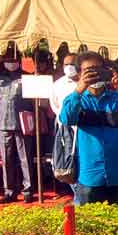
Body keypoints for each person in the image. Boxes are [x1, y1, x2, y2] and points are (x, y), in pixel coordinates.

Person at [58, 52, 118, 206]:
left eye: (98, 69)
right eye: (89, 71)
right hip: (90, 177)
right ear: (80, 74)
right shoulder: (76, 99)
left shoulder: (117, 97)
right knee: (89, 226)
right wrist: (78, 90)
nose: (94, 74)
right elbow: (67, 119)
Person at [0, 44, 35, 203]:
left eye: (14, 59)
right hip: (3, 123)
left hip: (23, 123)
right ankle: (9, 191)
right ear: (3, 61)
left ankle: (28, 190)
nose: (11, 62)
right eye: (8, 59)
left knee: (25, 158)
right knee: (6, 159)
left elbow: (35, 101)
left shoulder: (27, 77)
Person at [49, 51, 81, 200]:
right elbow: (55, 105)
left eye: (72, 64)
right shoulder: (58, 84)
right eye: (66, 64)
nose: (69, 67)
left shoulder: (85, 82)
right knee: (69, 160)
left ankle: (82, 191)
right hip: (66, 128)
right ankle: (77, 192)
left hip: (84, 127)